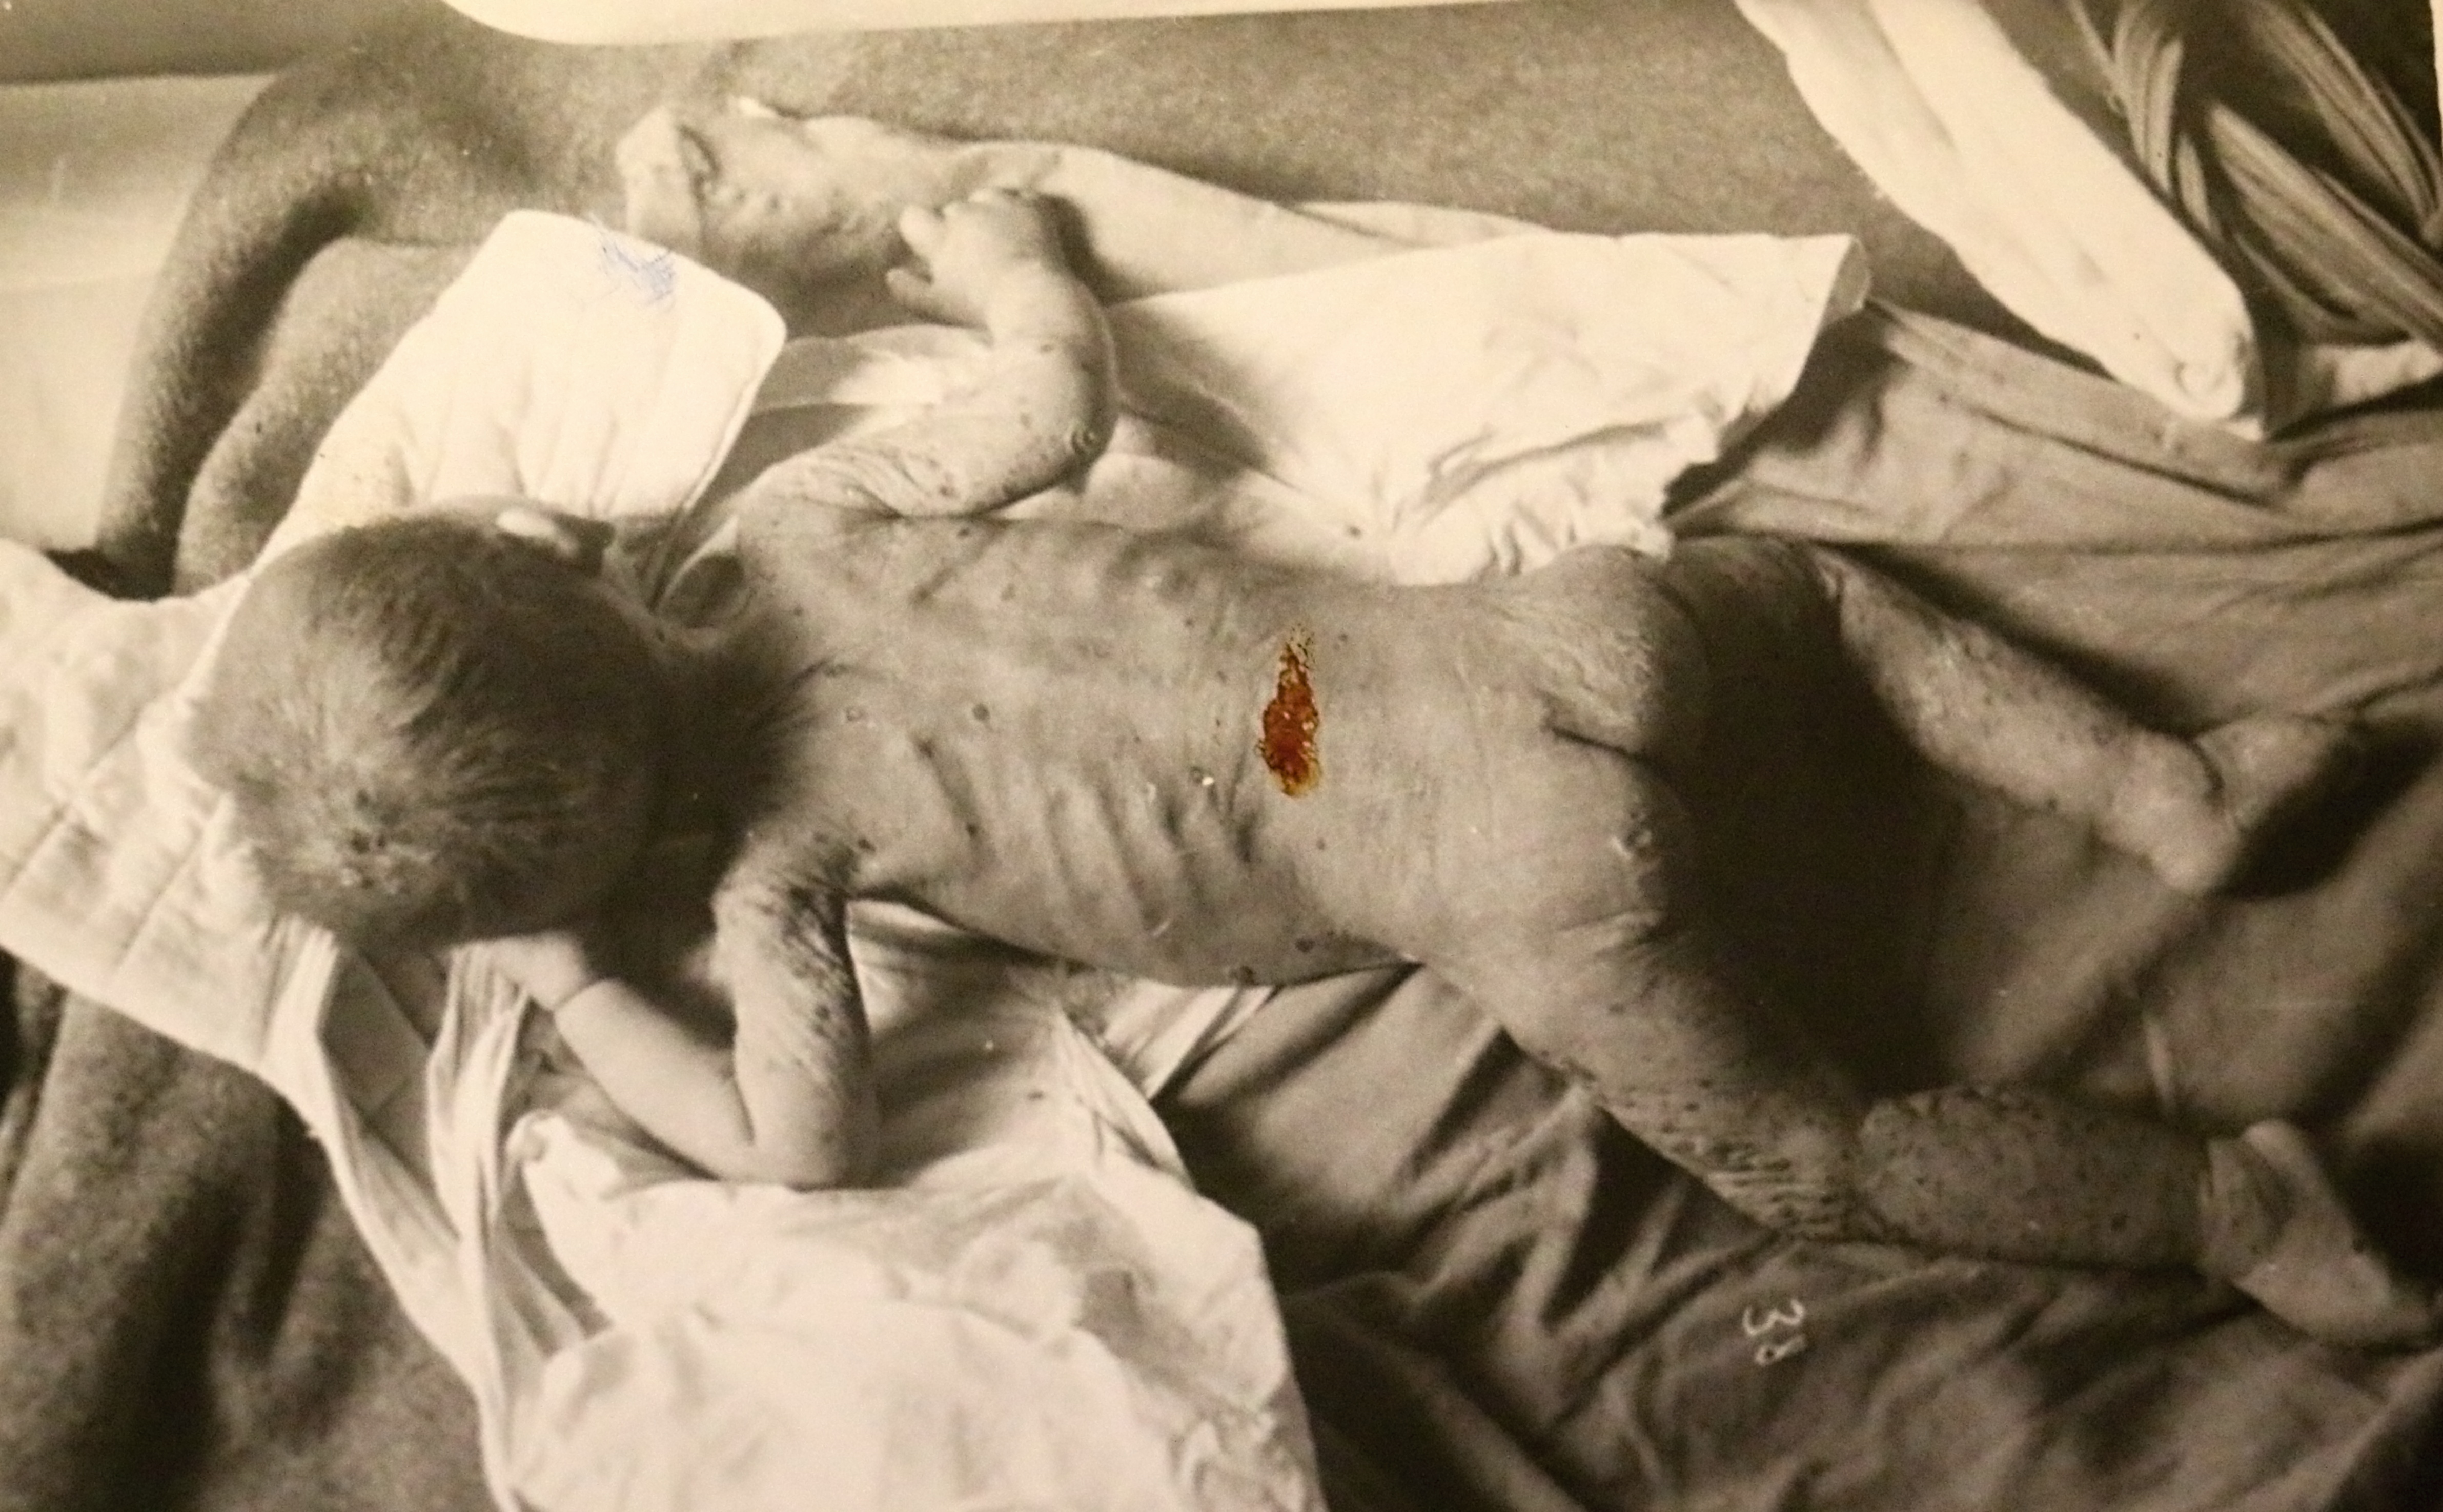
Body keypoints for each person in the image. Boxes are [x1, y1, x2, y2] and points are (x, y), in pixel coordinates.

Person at [190, 187, 2437, 1348]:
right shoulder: (800, 527)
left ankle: (2231, 1213)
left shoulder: (774, 874)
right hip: (1551, 648)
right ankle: (2163, 790)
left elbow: (803, 1146)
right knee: (1834, 610)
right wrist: (1009, 262)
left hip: (1537, 896)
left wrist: (588, 987)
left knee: (1820, 1161)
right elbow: (1059, 397)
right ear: (547, 546)